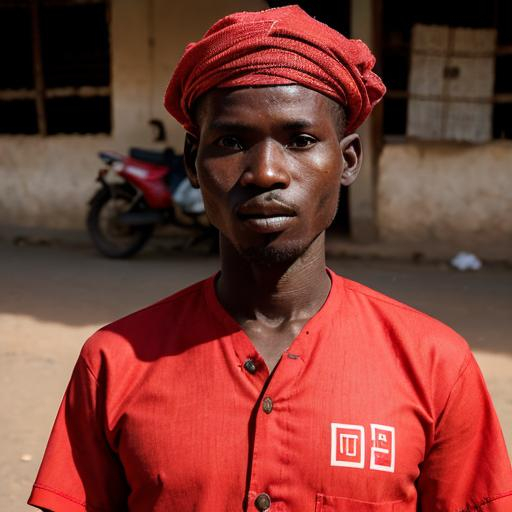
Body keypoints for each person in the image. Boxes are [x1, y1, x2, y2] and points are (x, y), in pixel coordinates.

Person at [28, 5, 512, 511]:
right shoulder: (114, 362)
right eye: (232, 141)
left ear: (347, 161)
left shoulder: (435, 364)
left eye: (300, 141)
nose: (264, 173)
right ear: (194, 161)